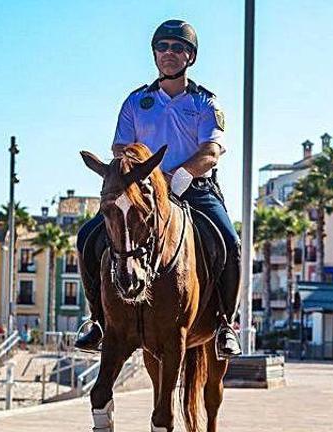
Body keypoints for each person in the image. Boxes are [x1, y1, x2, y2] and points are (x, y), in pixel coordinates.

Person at [74, 19, 242, 358]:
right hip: (141, 190)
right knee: (89, 237)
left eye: (177, 48)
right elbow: (121, 148)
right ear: (154, 54)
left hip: (193, 187)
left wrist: (177, 178)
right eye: (163, 47)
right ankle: (96, 320)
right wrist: (143, 179)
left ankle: (226, 323)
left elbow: (211, 151)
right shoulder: (136, 101)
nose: (169, 53)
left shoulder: (206, 102)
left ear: (190, 57)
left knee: (229, 242)